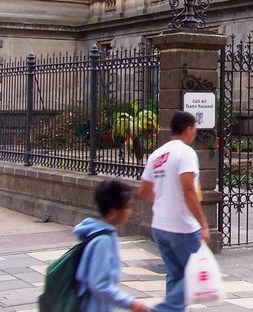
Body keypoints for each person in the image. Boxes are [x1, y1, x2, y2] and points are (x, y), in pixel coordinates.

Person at [138, 111, 210, 312]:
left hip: (160, 225)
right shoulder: (186, 153)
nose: (195, 132)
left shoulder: (158, 154)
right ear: (188, 129)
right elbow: (188, 191)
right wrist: (203, 224)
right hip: (182, 227)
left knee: (175, 275)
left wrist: (163, 199)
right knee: (194, 275)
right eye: (195, 128)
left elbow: (143, 190)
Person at [74, 179, 149, 312]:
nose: (129, 212)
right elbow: (99, 284)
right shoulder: (103, 241)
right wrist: (130, 303)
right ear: (114, 210)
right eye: (127, 206)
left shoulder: (100, 234)